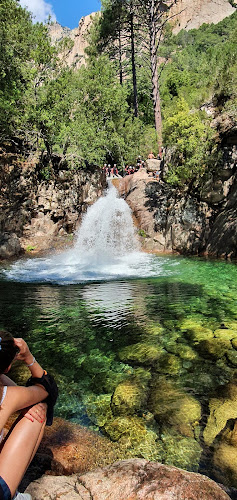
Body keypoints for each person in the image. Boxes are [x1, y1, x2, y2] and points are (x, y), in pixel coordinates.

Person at [0, 330, 58, 500]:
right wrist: (28, 357)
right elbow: (48, 389)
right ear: (8, 367)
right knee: (39, 406)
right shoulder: (7, 397)